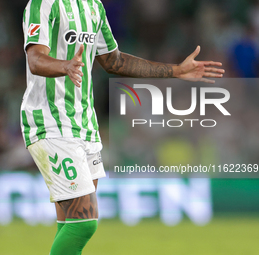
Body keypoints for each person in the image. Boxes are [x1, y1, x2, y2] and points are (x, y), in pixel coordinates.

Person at [21, 0, 225, 254]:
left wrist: (175, 71)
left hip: (84, 123)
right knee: (84, 223)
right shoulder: (44, 4)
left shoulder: (94, 6)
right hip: (50, 121)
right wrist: (66, 66)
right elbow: (35, 59)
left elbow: (113, 61)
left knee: (70, 222)